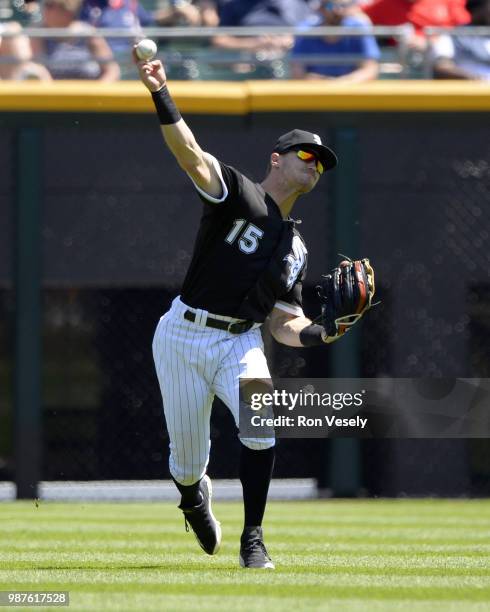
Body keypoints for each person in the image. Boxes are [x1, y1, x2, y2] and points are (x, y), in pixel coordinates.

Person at [134, 51, 344, 569]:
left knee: (261, 422)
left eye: (321, 163)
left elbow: (284, 321)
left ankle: (254, 539)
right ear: (278, 157)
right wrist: (161, 91)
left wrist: (320, 332)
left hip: (240, 341)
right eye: (306, 155)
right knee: (186, 461)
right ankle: (192, 496)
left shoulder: (296, 248)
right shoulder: (239, 194)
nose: (313, 165)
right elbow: (189, 153)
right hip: (183, 334)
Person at [28, 0, 120, 80]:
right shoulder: (39, 34)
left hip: (90, 95)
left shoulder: (88, 33)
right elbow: (39, 70)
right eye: (46, 5)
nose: (45, 9)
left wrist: (96, 93)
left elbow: (112, 71)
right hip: (54, 95)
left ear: (67, 11)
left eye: (50, 5)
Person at [291, 0, 380, 81]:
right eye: (329, 5)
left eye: (343, 6)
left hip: (351, 93)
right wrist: (327, 85)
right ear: (320, 8)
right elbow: (298, 73)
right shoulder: (306, 31)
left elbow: (370, 70)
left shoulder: (359, 28)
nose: (337, 10)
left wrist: (340, 84)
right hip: (315, 94)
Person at [363, 0, 470, 51]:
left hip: (441, 56)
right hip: (402, 57)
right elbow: (358, 14)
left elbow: (464, 28)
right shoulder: (383, 4)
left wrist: (430, 41)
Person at [431, 0, 490, 80]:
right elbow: (441, 67)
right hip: (468, 90)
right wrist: (472, 78)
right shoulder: (453, 35)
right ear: (477, 8)